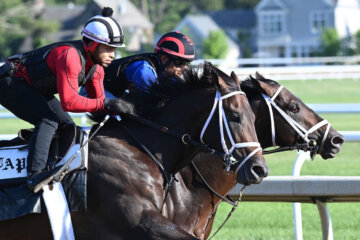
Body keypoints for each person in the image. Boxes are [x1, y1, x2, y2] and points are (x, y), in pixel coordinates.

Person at [0, 7, 130, 191]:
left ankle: (53, 166)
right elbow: (69, 102)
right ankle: (34, 175)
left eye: (114, 49)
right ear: (91, 45)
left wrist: (123, 110)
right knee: (48, 120)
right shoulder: (69, 56)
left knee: (67, 126)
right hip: (9, 83)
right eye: (108, 48)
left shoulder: (97, 69)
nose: (112, 55)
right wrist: (107, 103)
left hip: (33, 87)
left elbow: (98, 106)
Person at [89, 31, 195, 112]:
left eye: (187, 63)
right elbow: (155, 105)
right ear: (164, 59)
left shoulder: (168, 70)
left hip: (117, 94)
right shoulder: (144, 71)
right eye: (180, 63)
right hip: (94, 90)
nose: (184, 68)